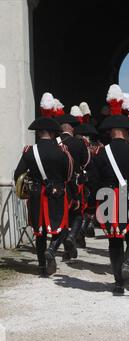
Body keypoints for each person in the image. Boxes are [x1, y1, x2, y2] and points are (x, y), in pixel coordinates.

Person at [93, 84, 129, 295]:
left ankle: (118, 284)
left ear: (110, 132)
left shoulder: (100, 153)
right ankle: (128, 264)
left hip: (107, 199)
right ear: (126, 131)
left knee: (114, 241)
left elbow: (94, 181)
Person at [14, 117, 73, 277]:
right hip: (57, 193)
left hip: (36, 195)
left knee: (39, 232)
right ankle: (52, 249)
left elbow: (18, 174)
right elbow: (68, 174)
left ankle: (41, 267)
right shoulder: (62, 151)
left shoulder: (29, 151)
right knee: (61, 228)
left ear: (39, 133)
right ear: (54, 133)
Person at [56, 114, 91, 260]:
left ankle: (67, 248)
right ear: (70, 128)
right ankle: (71, 236)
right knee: (78, 214)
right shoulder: (79, 143)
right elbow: (86, 162)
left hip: (57, 186)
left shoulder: (54, 142)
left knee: (61, 216)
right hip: (75, 184)